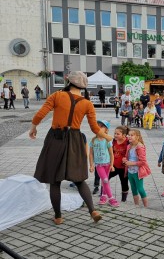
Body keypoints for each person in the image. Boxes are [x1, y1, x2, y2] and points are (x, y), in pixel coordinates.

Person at [29, 70, 111, 225]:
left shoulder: (57, 95)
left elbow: (41, 114)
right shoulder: (87, 103)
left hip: (56, 138)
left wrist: (33, 127)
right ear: (83, 86)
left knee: (55, 181)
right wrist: (107, 137)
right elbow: (95, 128)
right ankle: (92, 210)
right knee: (79, 179)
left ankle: (58, 216)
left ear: (69, 81)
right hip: (75, 140)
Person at [89, 120, 119, 207]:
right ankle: (111, 198)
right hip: (99, 165)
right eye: (97, 125)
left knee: (105, 181)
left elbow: (111, 154)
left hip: (107, 164)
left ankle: (103, 196)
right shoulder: (93, 140)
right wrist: (91, 165)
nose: (99, 127)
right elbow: (91, 154)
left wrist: (112, 165)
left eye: (101, 126)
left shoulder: (107, 141)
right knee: (105, 180)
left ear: (106, 130)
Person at [123, 129, 151, 207]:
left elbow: (143, 162)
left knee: (140, 189)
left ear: (137, 137)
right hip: (130, 171)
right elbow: (127, 157)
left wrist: (132, 163)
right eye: (129, 135)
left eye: (132, 135)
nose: (129, 136)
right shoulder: (129, 146)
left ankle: (146, 206)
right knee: (133, 189)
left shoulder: (140, 147)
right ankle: (136, 205)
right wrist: (125, 160)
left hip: (137, 172)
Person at [108, 125, 130, 202]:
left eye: (118, 134)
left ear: (124, 135)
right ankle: (103, 193)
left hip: (123, 167)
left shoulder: (128, 142)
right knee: (105, 178)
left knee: (124, 183)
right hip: (114, 165)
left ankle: (124, 199)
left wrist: (128, 160)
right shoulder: (114, 141)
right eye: (115, 133)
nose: (115, 135)